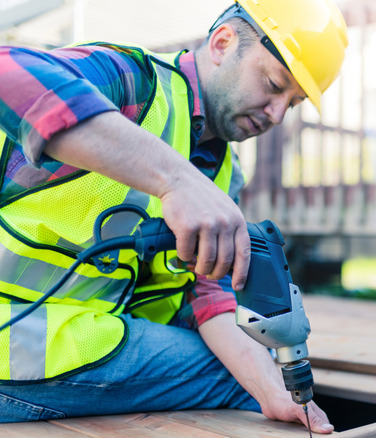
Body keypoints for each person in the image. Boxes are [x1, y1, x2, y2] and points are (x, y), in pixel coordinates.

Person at [0, 0, 347, 433]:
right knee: (228, 378)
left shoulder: (222, 174)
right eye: (275, 85)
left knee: (257, 378)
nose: (276, 114)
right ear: (223, 43)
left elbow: (210, 293)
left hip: (73, 332)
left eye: (292, 104)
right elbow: (6, 71)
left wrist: (272, 391)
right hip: (18, 337)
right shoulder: (133, 83)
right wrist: (176, 180)